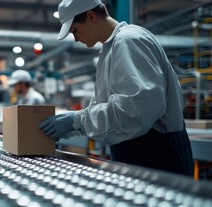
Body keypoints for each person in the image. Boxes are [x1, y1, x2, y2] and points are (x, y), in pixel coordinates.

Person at [39, 0, 193, 176]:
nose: (75, 38)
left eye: (74, 30)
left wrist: (77, 120)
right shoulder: (110, 49)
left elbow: (134, 112)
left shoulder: (129, 41)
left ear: (90, 16)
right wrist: (73, 126)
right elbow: (110, 109)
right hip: (138, 150)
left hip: (157, 155)